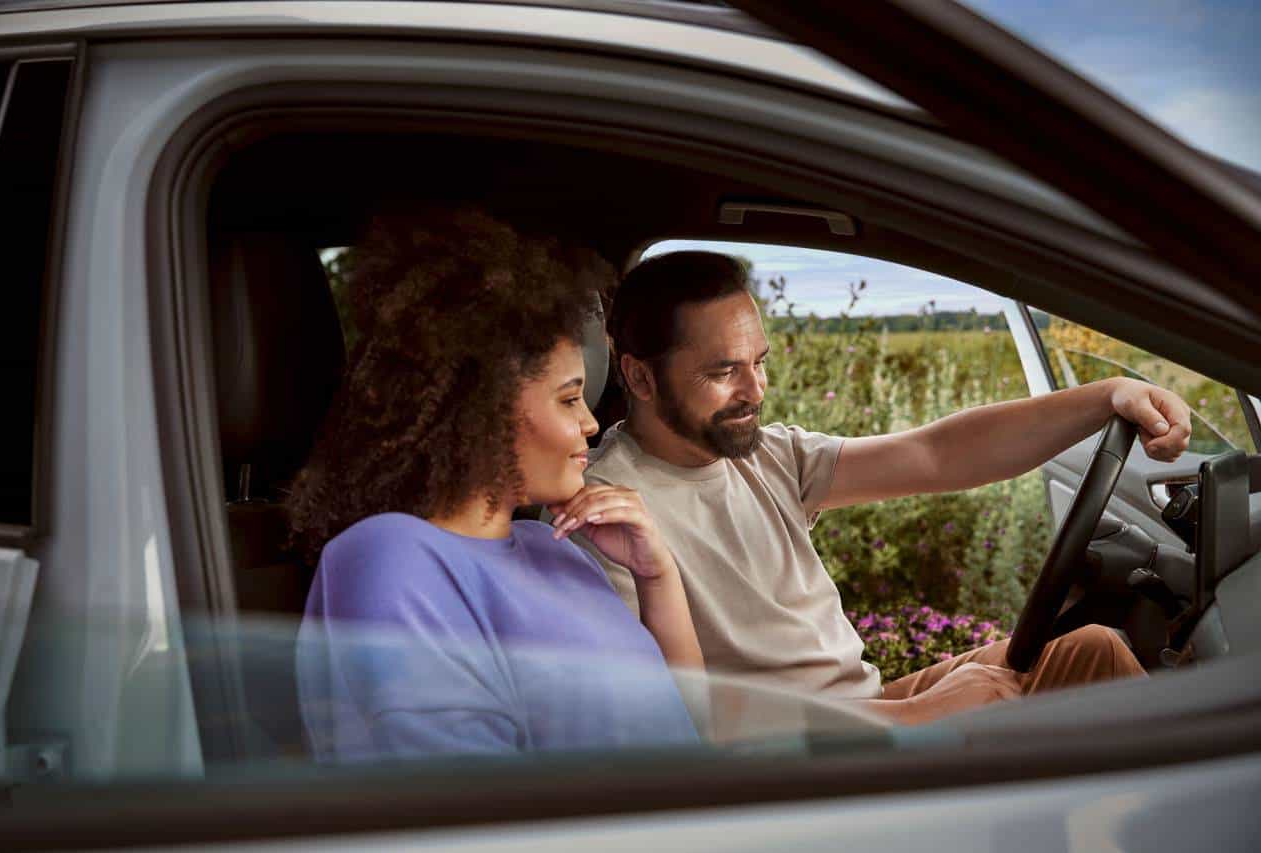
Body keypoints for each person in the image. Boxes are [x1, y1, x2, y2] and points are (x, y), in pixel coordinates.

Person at [563, 251, 1189, 725]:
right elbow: (682, 721)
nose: (754, 392)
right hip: (807, 760)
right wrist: (912, 719)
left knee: (1094, 652)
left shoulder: (762, 453)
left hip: (864, 709)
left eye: (759, 363)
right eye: (723, 371)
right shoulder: (611, 515)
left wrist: (1109, 397)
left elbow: (935, 454)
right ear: (640, 378)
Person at [287, 211, 702, 760]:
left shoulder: (554, 549)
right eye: (568, 398)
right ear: (483, 405)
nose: (591, 424)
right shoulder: (392, 555)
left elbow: (691, 732)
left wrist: (657, 576)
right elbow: (458, 807)